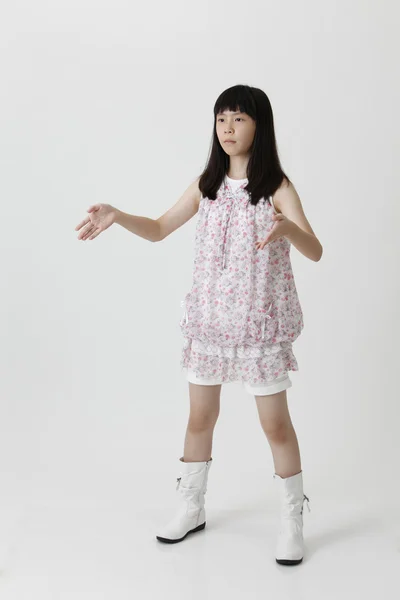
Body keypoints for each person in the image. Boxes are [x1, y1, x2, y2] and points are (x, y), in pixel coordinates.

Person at [75, 84, 323, 565]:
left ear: (260, 125)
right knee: (199, 419)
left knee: (275, 425)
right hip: (209, 324)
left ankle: (292, 519)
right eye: (221, 119)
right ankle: (191, 507)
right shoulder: (205, 185)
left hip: (258, 326)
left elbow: (315, 249)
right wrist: (120, 216)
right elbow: (160, 228)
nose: (228, 129)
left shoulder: (277, 188)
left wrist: (289, 229)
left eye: (239, 119)